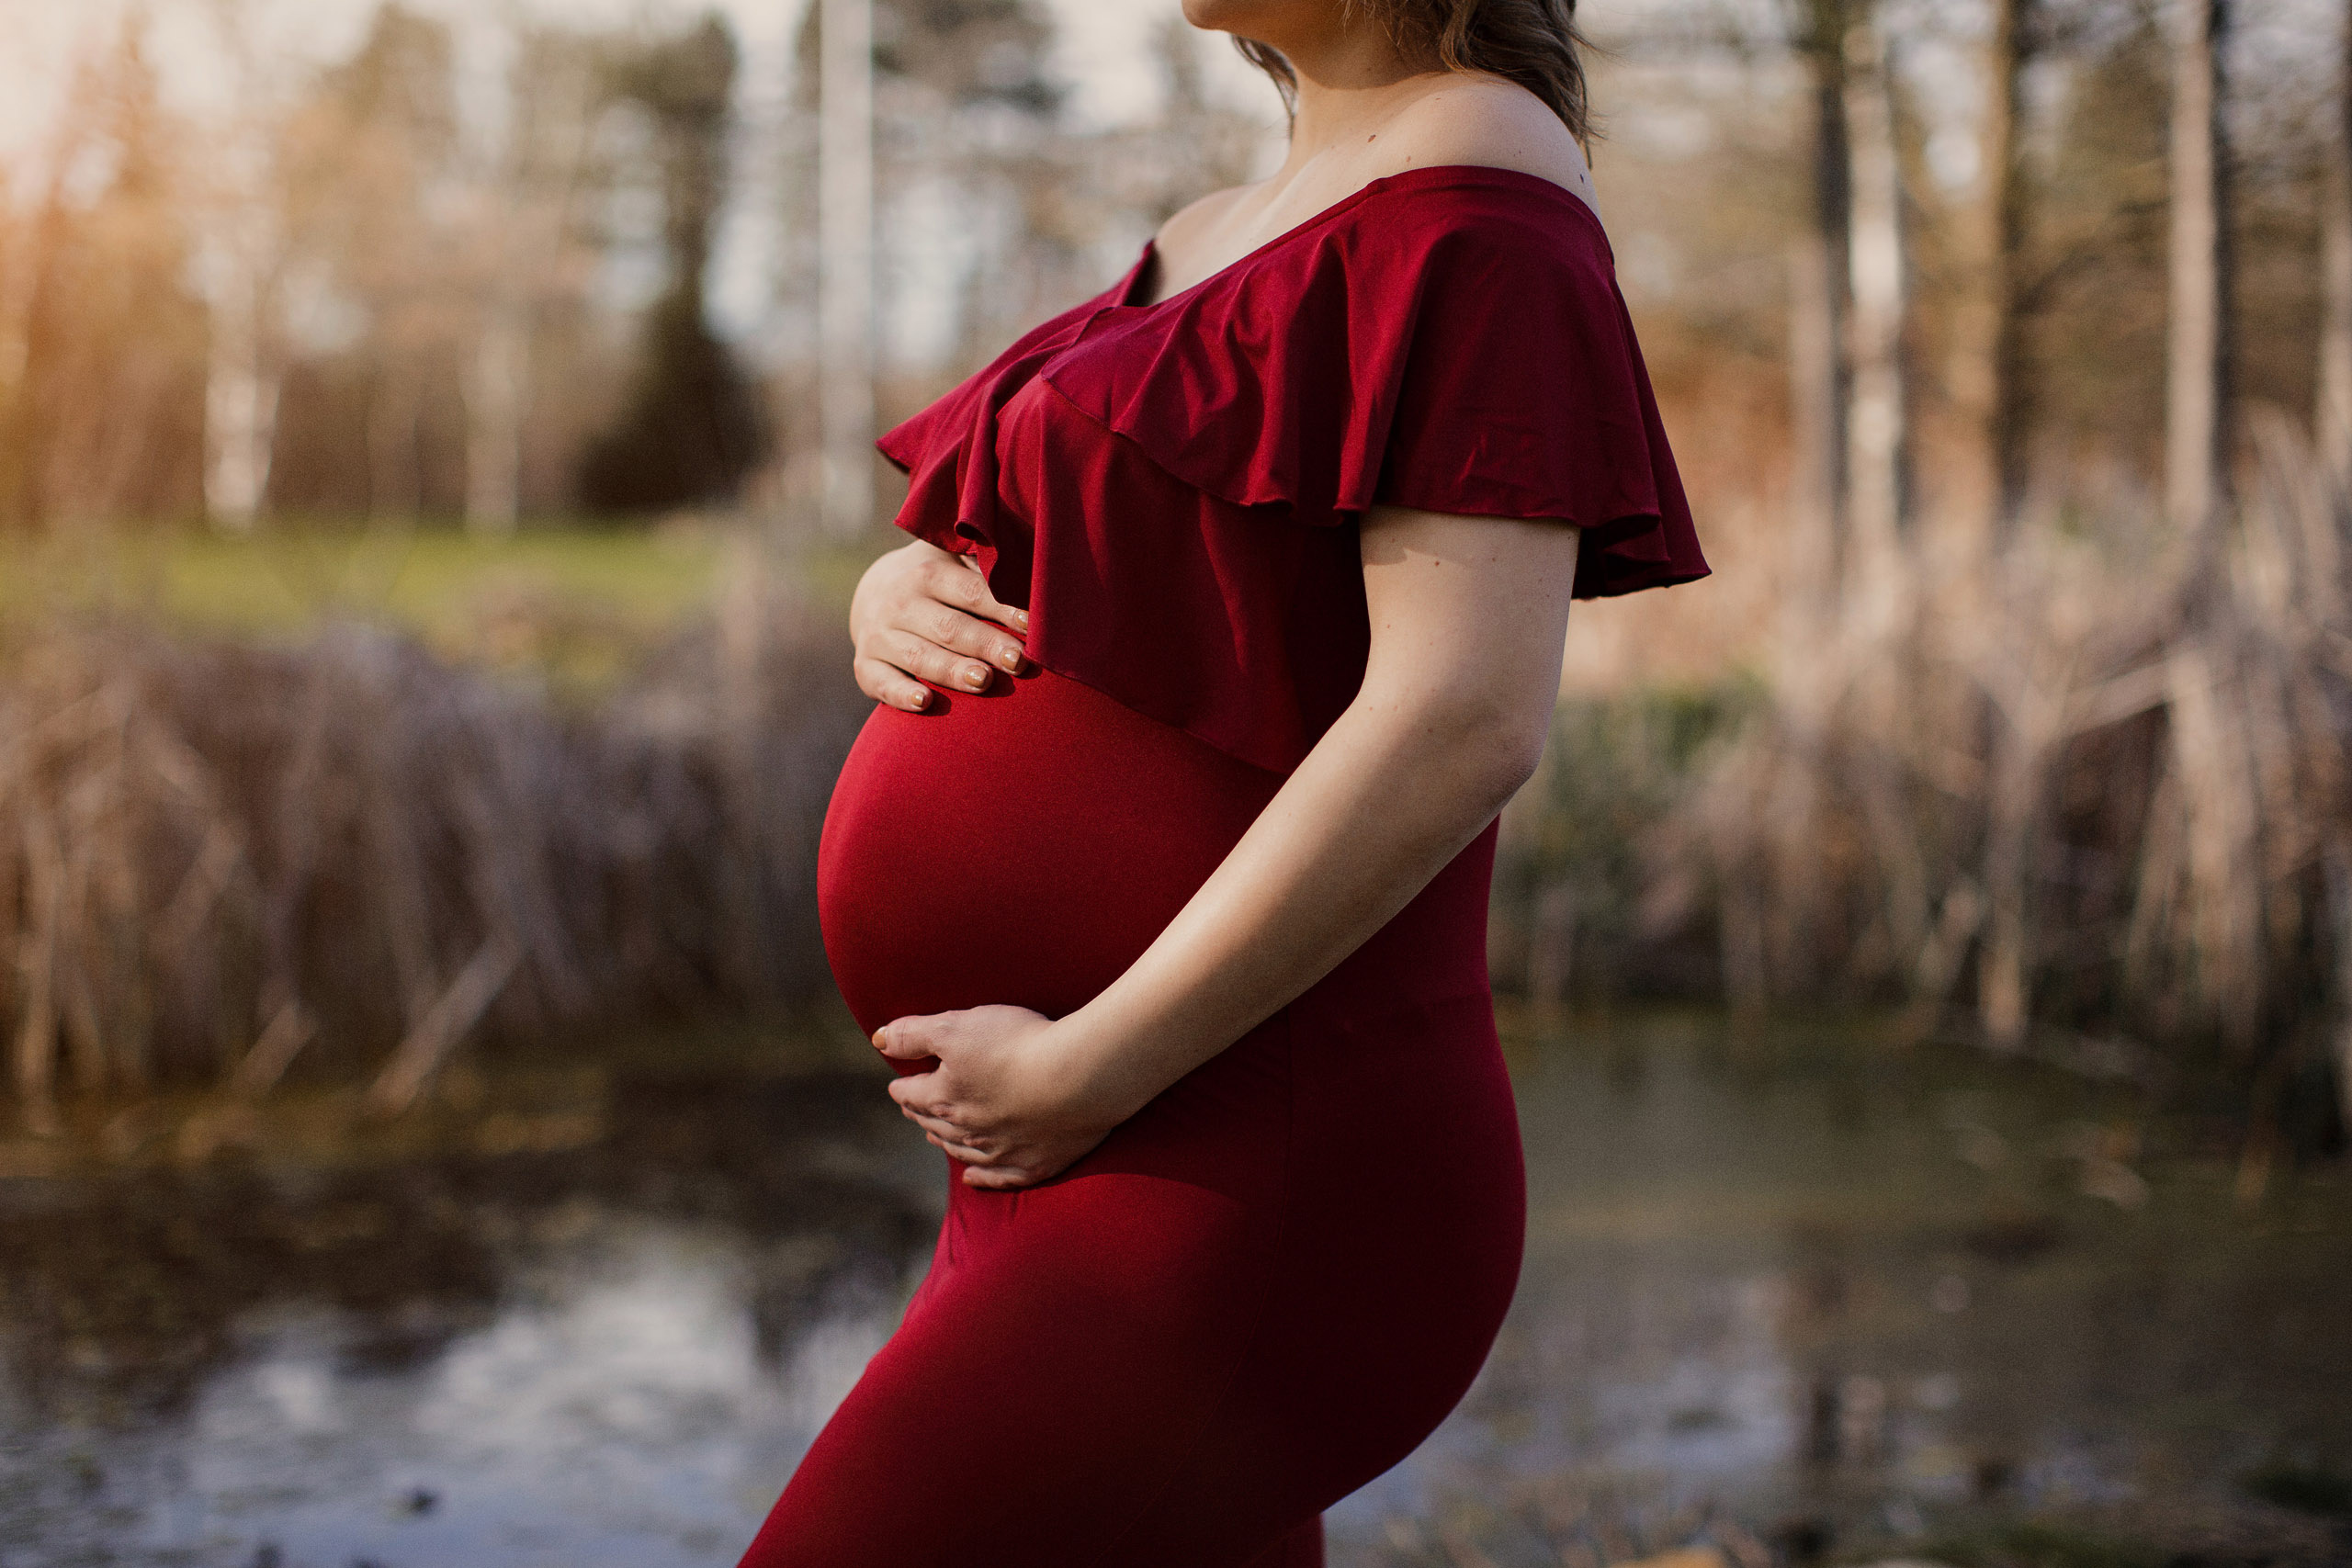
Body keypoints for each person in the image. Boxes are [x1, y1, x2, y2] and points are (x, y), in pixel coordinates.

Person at [738, 1, 1708, 1562]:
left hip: (1234, 1156)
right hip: (1063, 1158)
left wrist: (1094, 1067)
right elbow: (1152, 555)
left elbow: (1463, 713)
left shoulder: (1487, 190)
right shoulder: (1224, 221)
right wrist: (900, 587)